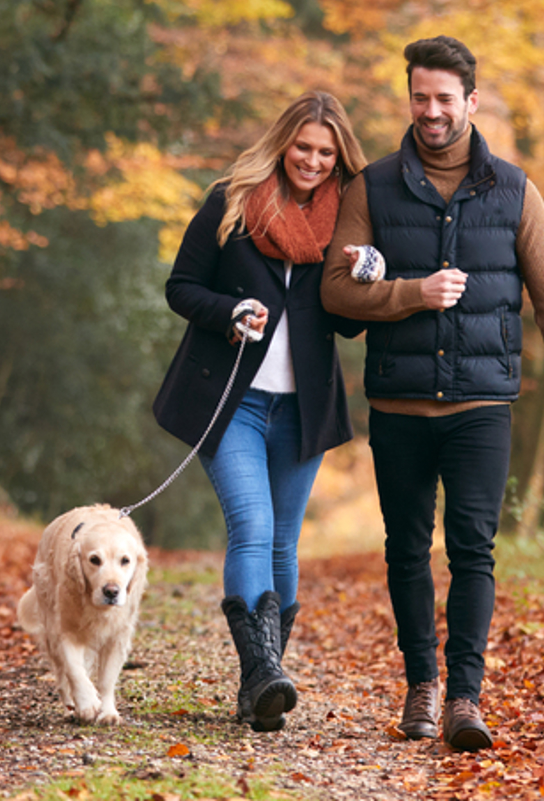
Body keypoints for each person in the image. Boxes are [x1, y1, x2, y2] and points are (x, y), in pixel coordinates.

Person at [320, 36, 544, 751]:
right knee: (407, 551)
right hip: (398, 405)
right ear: (409, 98)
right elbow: (333, 292)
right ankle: (422, 686)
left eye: (446, 99)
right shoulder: (373, 188)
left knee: (474, 550)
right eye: (421, 97)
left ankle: (466, 699)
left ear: (471, 103)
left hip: (482, 405)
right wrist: (411, 294)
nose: (432, 111)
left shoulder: (513, 191)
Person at [153, 90, 375, 732]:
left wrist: (364, 275)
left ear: (339, 160)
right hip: (232, 403)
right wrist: (228, 312)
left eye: (325, 153)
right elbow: (180, 286)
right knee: (251, 524)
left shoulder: (346, 222)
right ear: (283, 143)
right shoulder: (233, 200)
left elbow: (351, 328)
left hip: (303, 409)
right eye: (303, 147)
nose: (311, 160)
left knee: (284, 539)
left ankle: (264, 683)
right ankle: (261, 675)